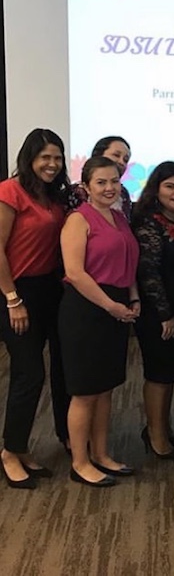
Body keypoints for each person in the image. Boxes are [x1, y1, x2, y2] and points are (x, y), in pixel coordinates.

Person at [59, 156, 140, 487]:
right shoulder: (78, 220)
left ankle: (102, 454)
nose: (109, 188)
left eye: (114, 181)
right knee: (84, 392)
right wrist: (111, 306)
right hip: (87, 309)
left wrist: (132, 298)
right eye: (101, 182)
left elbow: (129, 262)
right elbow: (76, 273)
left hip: (116, 306)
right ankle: (80, 462)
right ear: (86, 187)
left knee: (105, 388)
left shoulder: (120, 218)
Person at [0, 128, 71, 489]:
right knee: (29, 374)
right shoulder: (9, 191)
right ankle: (10, 452)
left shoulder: (53, 196)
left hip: (48, 289)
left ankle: (23, 448)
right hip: (16, 291)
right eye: (46, 157)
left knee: (52, 371)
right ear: (29, 158)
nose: (53, 164)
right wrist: (13, 299)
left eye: (58, 158)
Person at [132, 162, 174, 459]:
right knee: (159, 373)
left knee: (171, 372)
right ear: (156, 189)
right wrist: (164, 314)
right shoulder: (149, 221)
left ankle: (161, 428)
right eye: (170, 186)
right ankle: (156, 437)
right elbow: (147, 271)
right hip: (158, 312)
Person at [68, 136, 133, 220]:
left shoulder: (123, 194)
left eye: (125, 160)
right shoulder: (74, 192)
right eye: (116, 155)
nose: (121, 162)